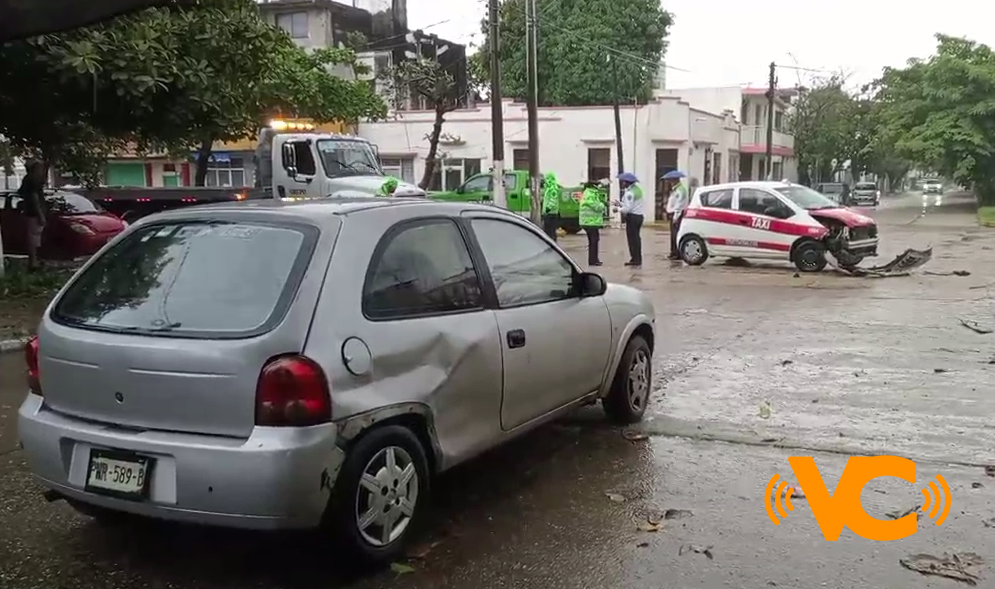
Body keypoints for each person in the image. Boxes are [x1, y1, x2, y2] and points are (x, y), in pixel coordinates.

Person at [18, 160, 47, 271]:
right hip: (34, 214)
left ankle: (34, 260)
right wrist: (40, 214)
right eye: (41, 169)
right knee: (34, 237)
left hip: (30, 212)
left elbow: (21, 192)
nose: (42, 171)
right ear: (36, 169)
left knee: (34, 237)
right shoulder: (33, 180)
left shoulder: (27, 179)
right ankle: (33, 262)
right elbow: (34, 198)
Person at [617, 172, 644, 267]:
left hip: (632, 217)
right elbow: (631, 205)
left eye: (623, 182)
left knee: (632, 240)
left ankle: (635, 259)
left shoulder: (630, 193)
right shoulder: (637, 190)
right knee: (636, 239)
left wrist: (617, 209)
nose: (622, 183)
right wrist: (619, 204)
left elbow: (627, 209)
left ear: (627, 182)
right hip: (639, 216)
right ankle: (637, 258)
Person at [579, 180, 607, 266]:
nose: (599, 187)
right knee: (594, 241)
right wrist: (603, 205)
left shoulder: (588, 193)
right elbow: (596, 206)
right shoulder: (590, 194)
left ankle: (594, 259)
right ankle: (593, 261)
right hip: (590, 222)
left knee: (594, 240)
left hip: (590, 222)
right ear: (594, 186)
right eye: (597, 185)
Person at [665, 176, 690, 260]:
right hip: (674, 213)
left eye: (670, 180)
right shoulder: (675, 190)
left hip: (677, 214)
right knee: (673, 234)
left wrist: (675, 217)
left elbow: (679, 205)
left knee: (675, 234)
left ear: (675, 180)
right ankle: (673, 252)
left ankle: (677, 253)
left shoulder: (680, 190)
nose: (669, 182)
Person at [541, 172, 561, 240]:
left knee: (551, 231)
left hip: (551, 213)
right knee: (548, 231)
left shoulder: (553, 189)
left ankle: (552, 243)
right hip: (548, 213)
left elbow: (553, 200)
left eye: (547, 179)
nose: (546, 180)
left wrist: (548, 208)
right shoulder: (548, 188)